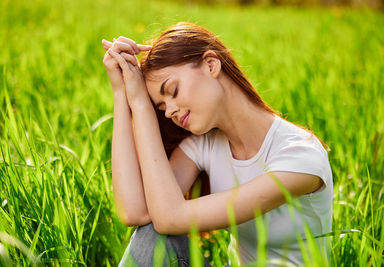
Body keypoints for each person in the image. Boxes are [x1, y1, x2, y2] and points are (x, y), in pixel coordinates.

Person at [101, 22, 333, 266]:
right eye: (161, 107)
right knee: (151, 235)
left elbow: (170, 217)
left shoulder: (300, 156)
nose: (169, 112)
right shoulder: (205, 146)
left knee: (160, 227)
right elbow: (135, 212)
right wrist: (122, 93)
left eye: (173, 90)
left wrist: (140, 101)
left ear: (211, 64)